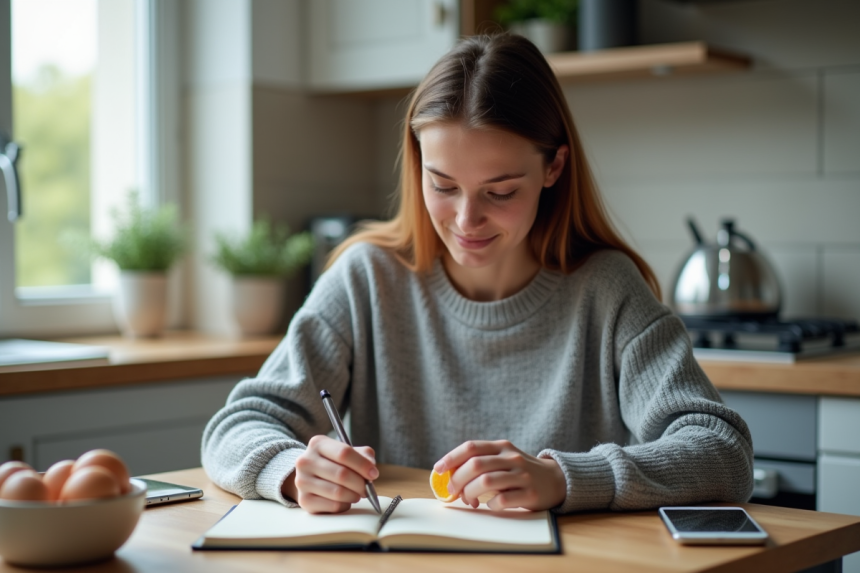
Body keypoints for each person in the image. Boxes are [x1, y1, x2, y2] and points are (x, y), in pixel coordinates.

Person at [201, 33, 754, 515]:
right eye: (442, 185)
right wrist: (294, 470)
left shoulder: (606, 290)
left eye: (501, 191)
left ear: (553, 167)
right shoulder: (365, 278)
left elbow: (722, 453)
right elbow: (234, 427)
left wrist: (564, 478)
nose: (466, 220)